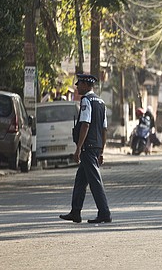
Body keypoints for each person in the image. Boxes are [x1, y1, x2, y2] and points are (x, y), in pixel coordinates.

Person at [59, 73, 112, 224]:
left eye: (79, 84)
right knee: (80, 180)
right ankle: (75, 212)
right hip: (95, 147)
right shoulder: (101, 102)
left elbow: (85, 124)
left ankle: (105, 213)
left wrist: (78, 148)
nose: (77, 86)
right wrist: (101, 151)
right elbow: (104, 129)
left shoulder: (86, 101)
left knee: (95, 181)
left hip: (88, 148)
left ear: (87, 85)